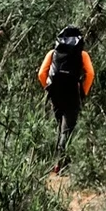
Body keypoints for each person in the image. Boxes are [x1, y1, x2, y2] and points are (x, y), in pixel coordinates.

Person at [35, 25, 96, 163]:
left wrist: (48, 88)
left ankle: (58, 159)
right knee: (67, 129)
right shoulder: (82, 54)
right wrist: (83, 92)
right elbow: (90, 74)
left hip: (55, 93)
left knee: (58, 125)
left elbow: (41, 74)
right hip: (73, 94)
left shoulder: (52, 53)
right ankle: (60, 162)